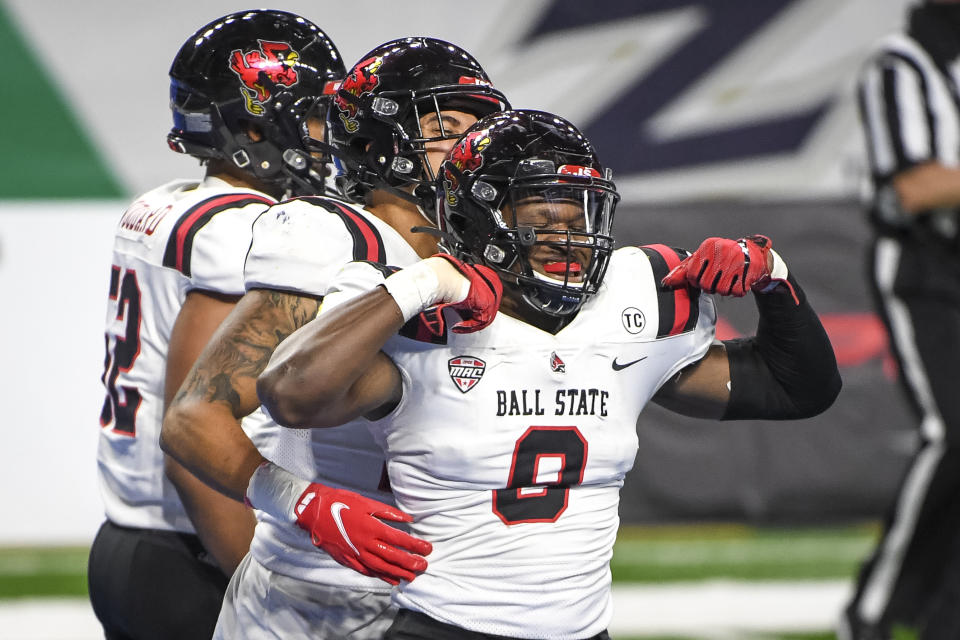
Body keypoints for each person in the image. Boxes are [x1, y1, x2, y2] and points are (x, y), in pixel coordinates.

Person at [256, 108, 843, 639]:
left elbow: (798, 388)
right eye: (542, 218)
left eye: (580, 214)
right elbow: (292, 396)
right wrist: (426, 280)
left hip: (585, 631)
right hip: (442, 624)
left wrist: (776, 280)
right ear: (481, 219)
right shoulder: (419, 313)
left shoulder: (632, 303)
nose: (571, 239)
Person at [160, 37, 510, 639]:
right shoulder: (334, 237)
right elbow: (193, 419)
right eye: (448, 126)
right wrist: (304, 504)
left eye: (480, 127)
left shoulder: (482, 251)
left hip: (440, 598)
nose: (471, 146)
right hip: (318, 593)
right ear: (380, 140)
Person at [87, 9, 345, 640]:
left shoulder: (164, 204)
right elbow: (196, 426)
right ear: (255, 123)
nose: (328, 135)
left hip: (132, 538)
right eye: (312, 116)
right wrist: (260, 588)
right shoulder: (245, 233)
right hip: (197, 537)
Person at [843, 1, 960, 638]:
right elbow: (918, 185)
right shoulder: (902, 62)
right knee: (951, 430)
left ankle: (946, 613)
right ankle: (873, 610)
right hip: (924, 265)